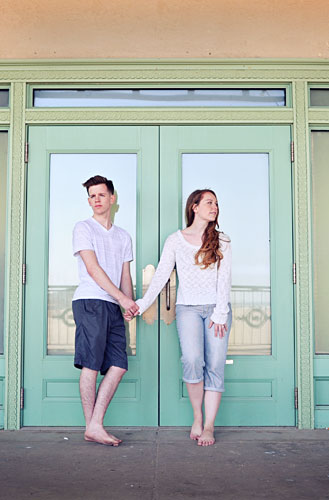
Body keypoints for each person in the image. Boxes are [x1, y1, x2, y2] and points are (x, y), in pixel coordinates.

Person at [130, 189, 232, 446]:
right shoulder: (175, 240)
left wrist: (220, 313)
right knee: (192, 360)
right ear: (194, 207)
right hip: (187, 309)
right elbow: (162, 274)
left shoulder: (222, 240)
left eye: (217, 203)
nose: (215, 207)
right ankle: (197, 416)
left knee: (216, 366)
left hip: (217, 311)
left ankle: (209, 426)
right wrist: (142, 304)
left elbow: (225, 279)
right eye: (209, 202)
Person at [72, 175, 139, 446]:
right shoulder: (83, 227)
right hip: (90, 301)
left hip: (113, 305)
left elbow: (126, 274)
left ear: (112, 198)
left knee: (119, 365)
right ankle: (94, 426)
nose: (96, 200)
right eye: (91, 196)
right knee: (91, 364)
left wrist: (129, 304)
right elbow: (93, 268)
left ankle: (94, 425)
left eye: (101, 194)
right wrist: (122, 298)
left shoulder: (123, 236)